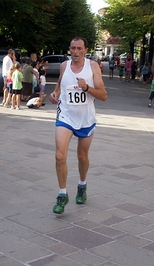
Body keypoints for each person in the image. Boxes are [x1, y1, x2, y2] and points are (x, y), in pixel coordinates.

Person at [49, 37, 107, 214]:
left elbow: (103, 95)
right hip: (65, 116)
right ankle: (62, 194)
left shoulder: (93, 67)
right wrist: (55, 93)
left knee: (82, 157)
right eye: (72, 48)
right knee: (60, 155)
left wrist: (87, 88)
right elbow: (60, 85)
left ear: (85, 50)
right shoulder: (64, 66)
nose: (75, 52)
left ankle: (82, 185)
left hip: (85, 119)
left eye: (79, 48)